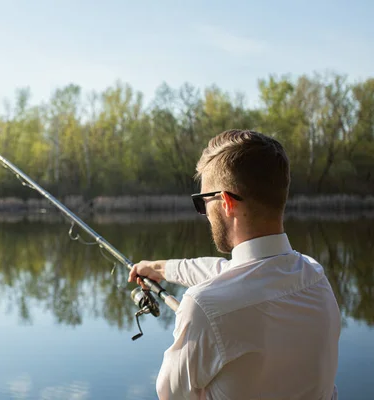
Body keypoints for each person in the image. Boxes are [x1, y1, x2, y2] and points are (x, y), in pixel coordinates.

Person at [128, 130, 341, 400]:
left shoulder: (203, 308)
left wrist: (199, 316)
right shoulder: (316, 277)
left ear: (226, 203)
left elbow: (171, 395)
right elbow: (227, 271)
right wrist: (158, 269)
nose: (204, 214)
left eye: (203, 202)